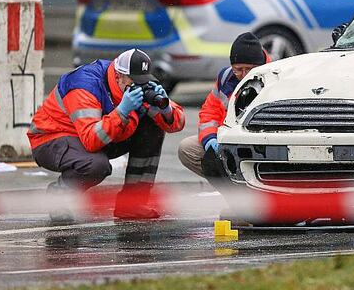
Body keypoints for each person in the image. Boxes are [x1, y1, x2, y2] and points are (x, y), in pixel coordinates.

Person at [27, 49, 185, 220]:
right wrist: (122, 111)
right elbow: (91, 140)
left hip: (95, 135)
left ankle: (132, 203)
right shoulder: (85, 84)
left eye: (143, 81)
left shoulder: (130, 87)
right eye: (135, 81)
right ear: (118, 76)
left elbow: (176, 125)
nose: (139, 86)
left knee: (153, 125)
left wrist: (166, 109)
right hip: (51, 138)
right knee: (96, 165)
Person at [178, 32, 270, 183]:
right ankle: (233, 196)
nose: (243, 74)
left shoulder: (275, 77)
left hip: (260, 146)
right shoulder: (225, 78)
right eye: (238, 69)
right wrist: (210, 139)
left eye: (249, 69)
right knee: (187, 148)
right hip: (229, 141)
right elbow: (209, 113)